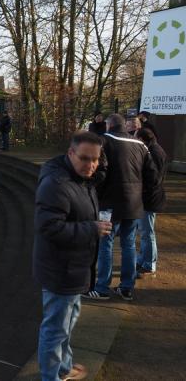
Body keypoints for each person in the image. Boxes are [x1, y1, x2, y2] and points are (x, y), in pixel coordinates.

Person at [34, 131, 112, 381]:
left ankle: (64, 368)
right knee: (55, 330)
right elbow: (49, 227)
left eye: (95, 159)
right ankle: (51, 377)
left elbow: (102, 169)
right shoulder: (56, 184)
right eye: (85, 158)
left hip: (76, 267)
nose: (91, 165)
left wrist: (107, 141)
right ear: (70, 154)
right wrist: (92, 229)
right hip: (61, 271)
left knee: (66, 324)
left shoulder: (81, 178)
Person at [87, 114, 159, 301]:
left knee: (106, 243)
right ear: (124, 126)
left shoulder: (103, 141)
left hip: (109, 204)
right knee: (128, 245)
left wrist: (94, 193)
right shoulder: (140, 145)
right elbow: (152, 175)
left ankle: (102, 287)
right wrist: (142, 196)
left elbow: (99, 171)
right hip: (134, 204)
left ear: (109, 125)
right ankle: (126, 287)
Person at [135, 128, 167, 277]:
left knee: (147, 232)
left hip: (150, 198)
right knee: (144, 231)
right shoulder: (153, 150)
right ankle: (144, 259)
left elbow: (155, 178)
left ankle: (149, 263)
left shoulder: (154, 152)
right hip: (149, 197)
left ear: (142, 139)